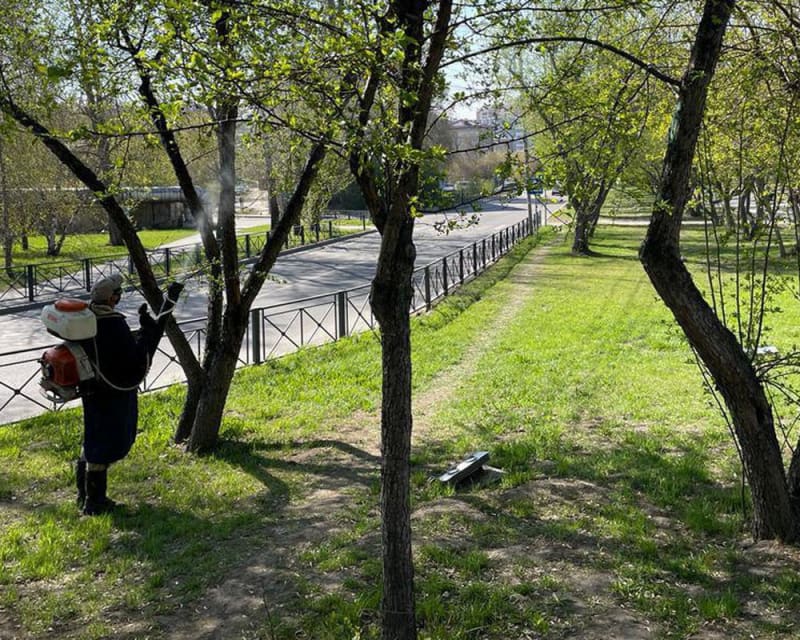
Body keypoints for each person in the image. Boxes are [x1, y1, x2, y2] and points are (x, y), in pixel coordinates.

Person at [74, 273, 175, 515]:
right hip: (113, 392)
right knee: (108, 441)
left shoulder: (87, 319)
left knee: (93, 437)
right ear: (112, 298)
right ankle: (95, 503)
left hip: (93, 389)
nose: (119, 297)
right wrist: (147, 332)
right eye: (118, 294)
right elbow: (134, 360)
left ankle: (84, 494)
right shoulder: (112, 323)